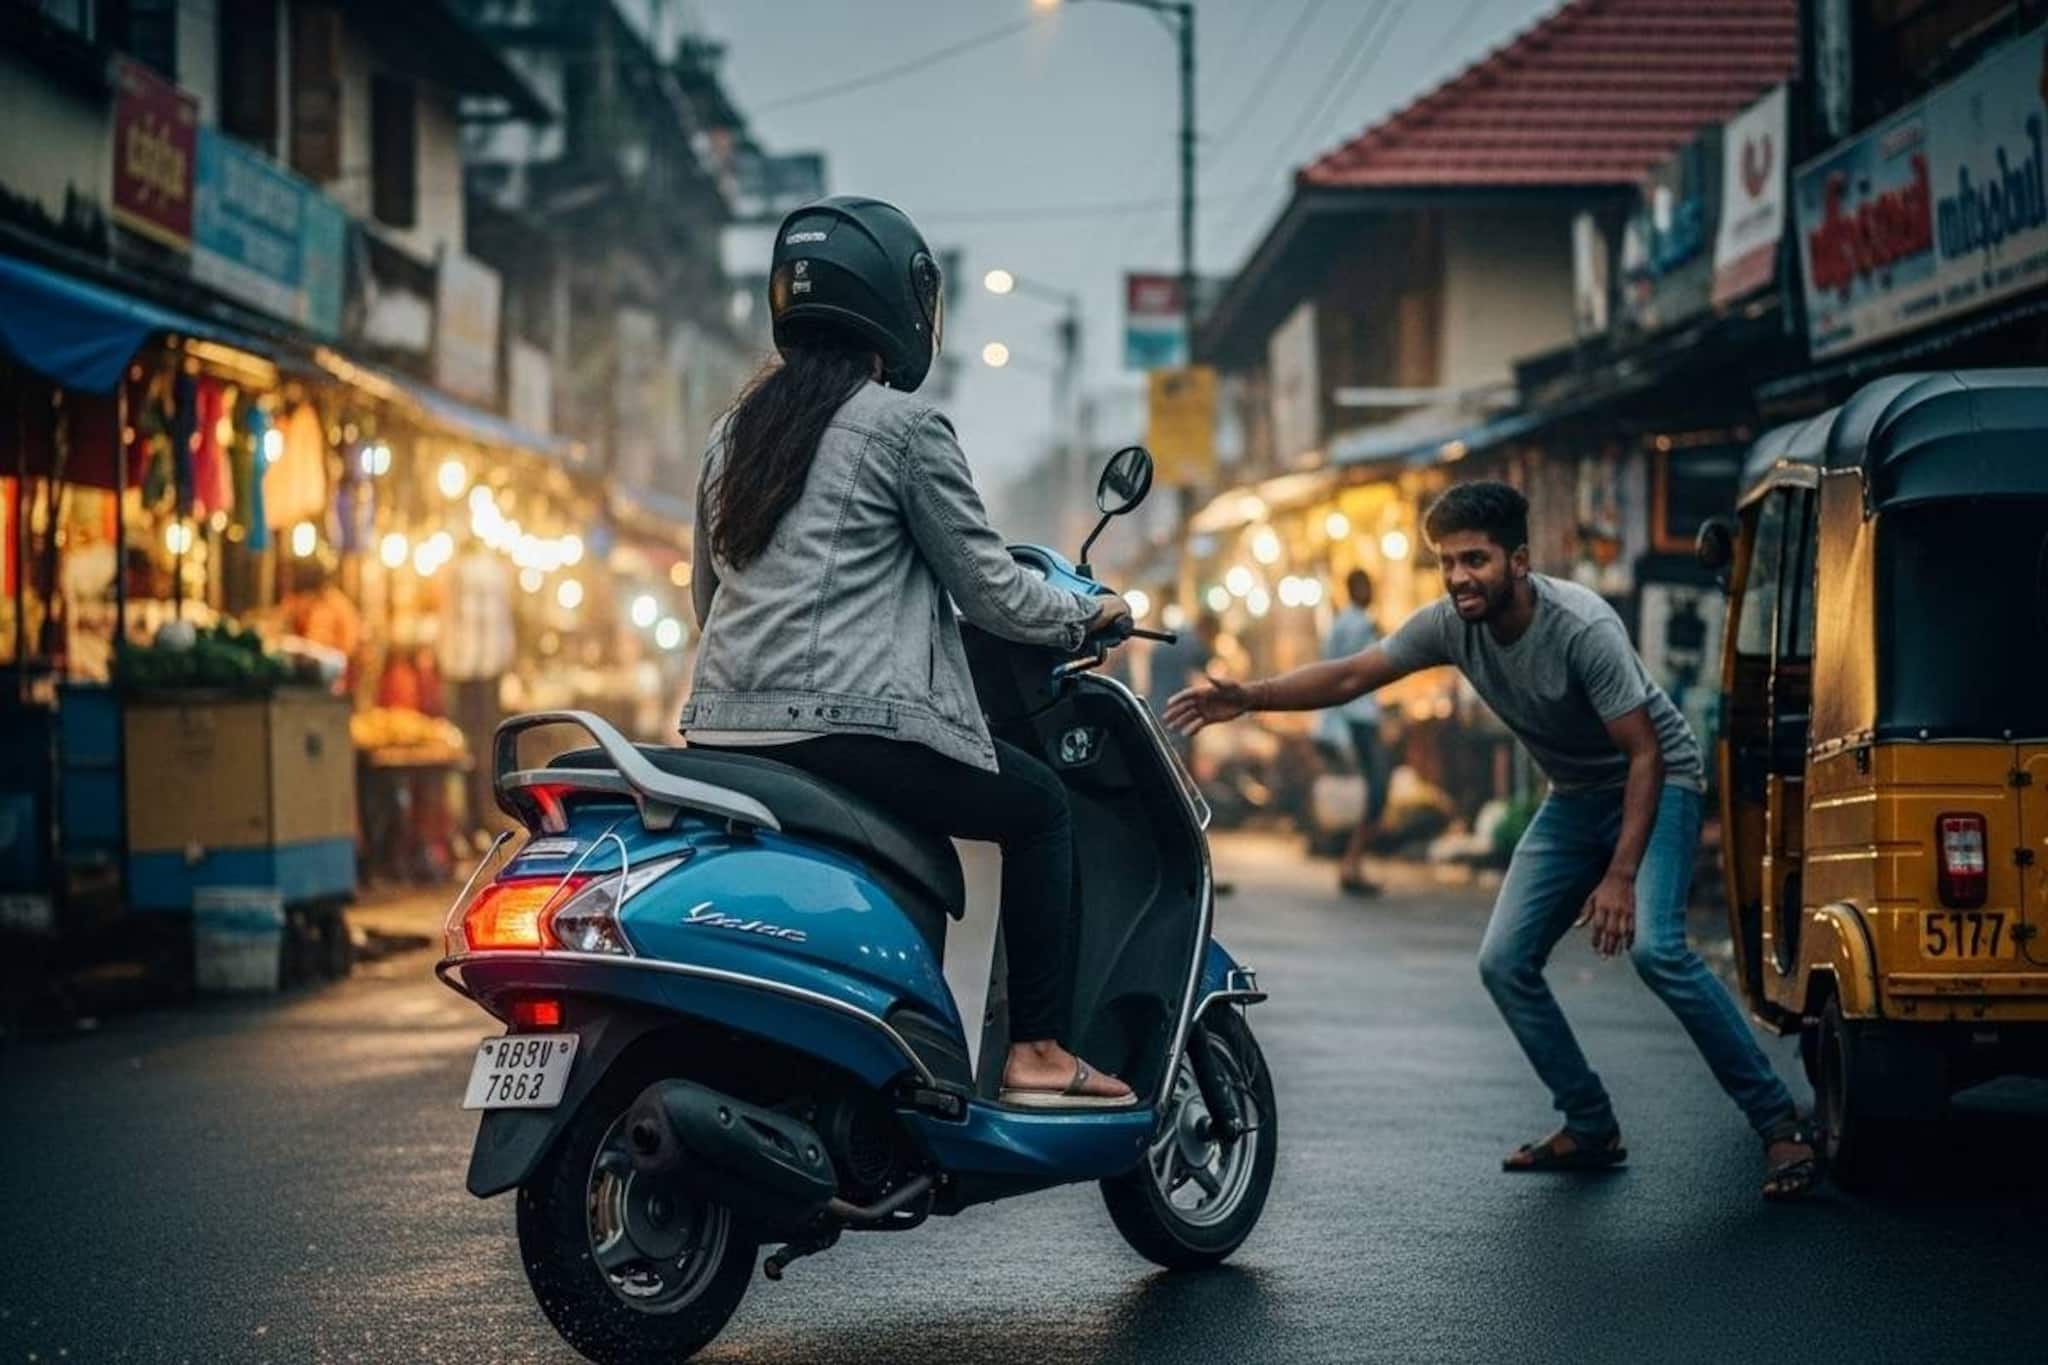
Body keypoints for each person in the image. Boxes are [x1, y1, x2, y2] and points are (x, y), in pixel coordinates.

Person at [1166, 481, 1819, 1199]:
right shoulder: (1451, 625)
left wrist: (1621, 875)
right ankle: (1590, 1124)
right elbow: (1354, 674)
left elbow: (1646, 754)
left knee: (1658, 950)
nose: (1458, 577)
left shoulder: (1582, 627)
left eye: (1474, 559)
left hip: (1660, 783)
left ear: (1519, 561)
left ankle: (1779, 1124)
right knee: (1505, 962)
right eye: (1446, 562)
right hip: (1575, 795)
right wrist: (1250, 696)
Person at [680, 195, 1135, 1107]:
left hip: (721, 729)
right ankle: (1037, 1050)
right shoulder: (903, 427)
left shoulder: (736, 432)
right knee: (1040, 808)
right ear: (901, 302)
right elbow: (990, 589)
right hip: (848, 731)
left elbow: (708, 595)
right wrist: (1087, 615)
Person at [1323, 570, 1391, 897]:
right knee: (1377, 790)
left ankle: (1353, 862)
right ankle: (1351, 861)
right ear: (1355, 590)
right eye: (1366, 587)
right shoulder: (1358, 624)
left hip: (1357, 716)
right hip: (1357, 718)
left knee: (1375, 791)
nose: (1371, 592)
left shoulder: (1343, 623)